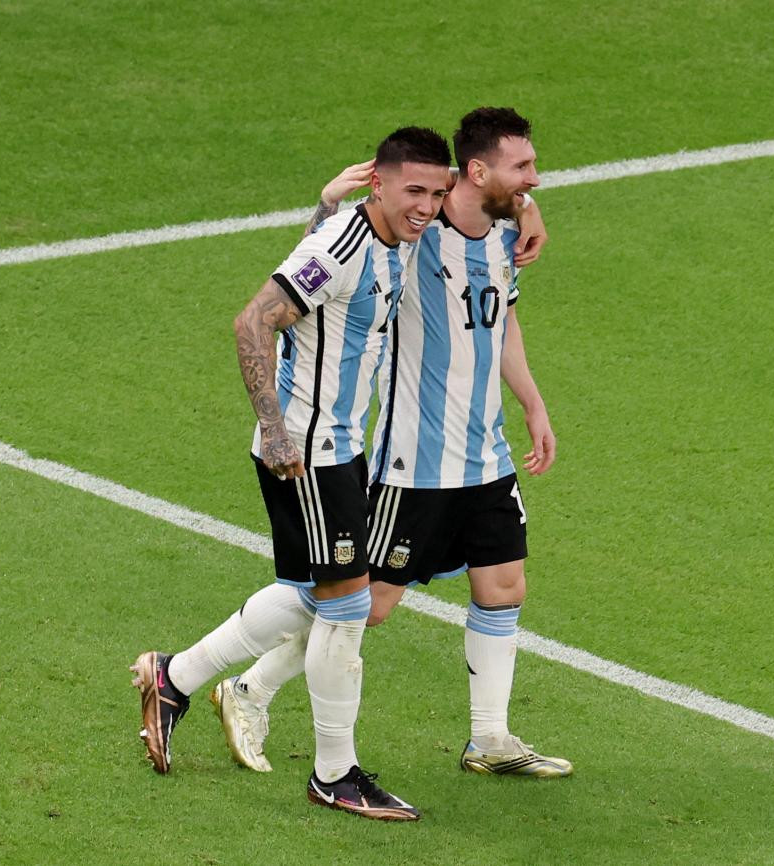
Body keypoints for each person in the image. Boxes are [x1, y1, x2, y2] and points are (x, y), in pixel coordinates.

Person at [212, 107, 572, 780]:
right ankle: (245, 688)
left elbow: (502, 323)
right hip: (415, 463)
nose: (534, 181)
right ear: (477, 170)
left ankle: (490, 739)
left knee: (503, 584)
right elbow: (331, 255)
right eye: (522, 169)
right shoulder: (415, 236)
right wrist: (324, 202)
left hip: (486, 455)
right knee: (363, 605)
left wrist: (534, 406)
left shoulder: (502, 236)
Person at [131, 126, 455, 822]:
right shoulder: (345, 243)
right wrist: (277, 433)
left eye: (437, 190)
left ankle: (175, 677)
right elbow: (254, 322)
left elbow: (316, 287)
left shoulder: (388, 238)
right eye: (414, 190)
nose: (427, 205)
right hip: (309, 452)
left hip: (343, 448)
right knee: (345, 607)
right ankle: (334, 774)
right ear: (381, 183)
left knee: (318, 594)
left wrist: (321, 206)